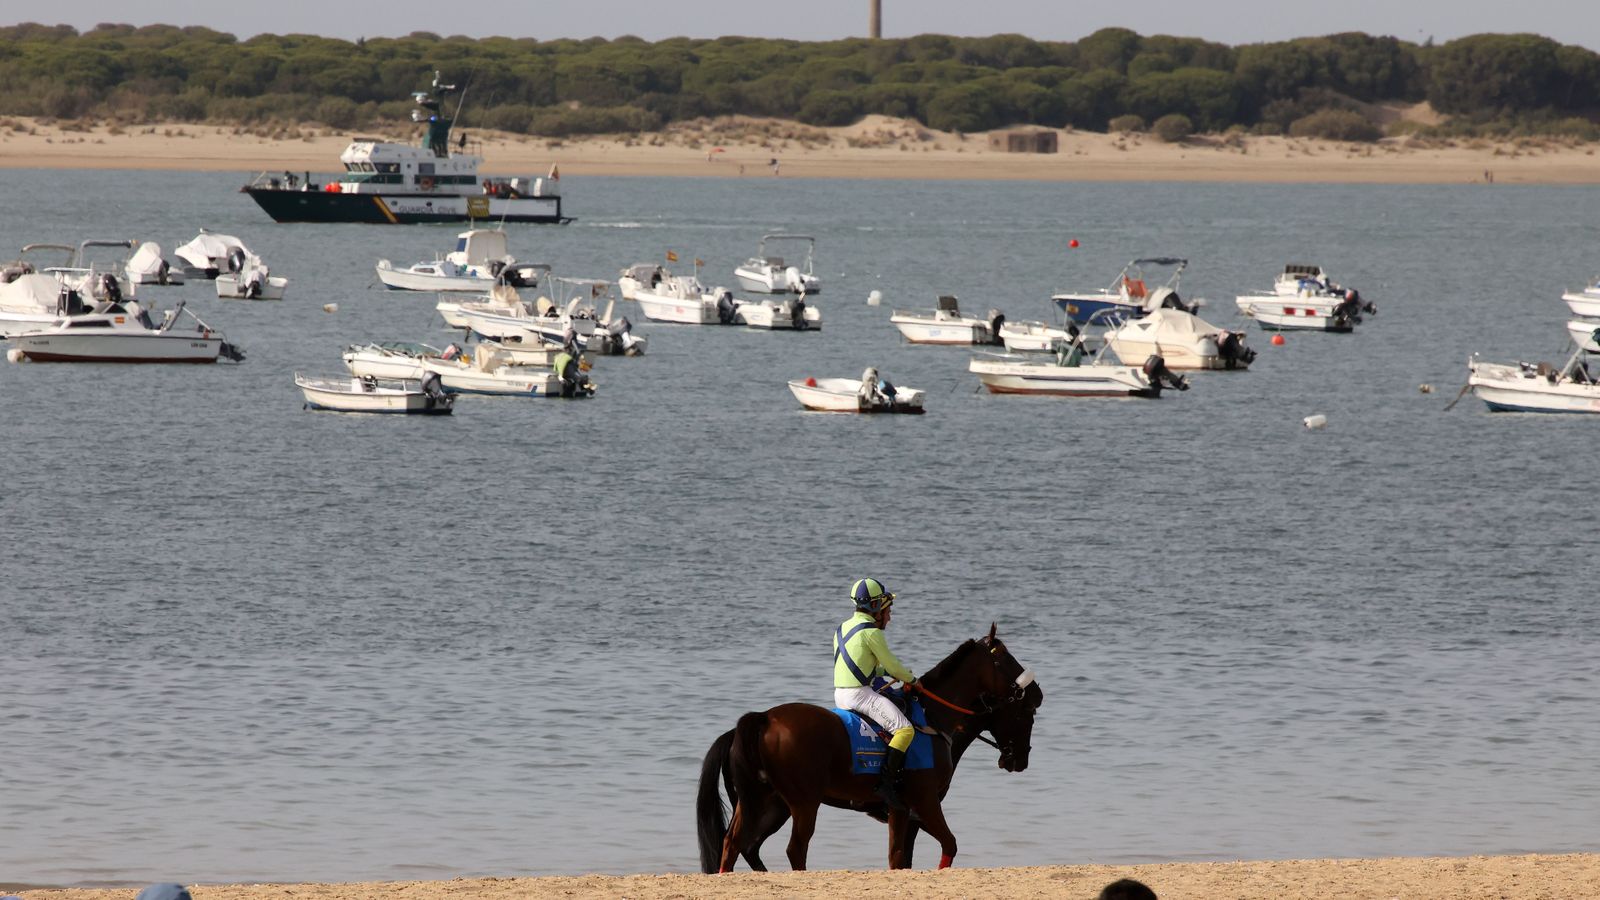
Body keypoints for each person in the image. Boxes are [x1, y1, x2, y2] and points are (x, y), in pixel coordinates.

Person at [834, 578, 917, 809]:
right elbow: (892, 666)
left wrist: (886, 671)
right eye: (886, 608)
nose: (888, 616)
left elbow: (865, 666)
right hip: (860, 695)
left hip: (840, 695)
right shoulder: (872, 632)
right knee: (904, 729)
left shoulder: (842, 628)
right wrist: (912, 679)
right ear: (874, 607)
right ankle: (886, 784)